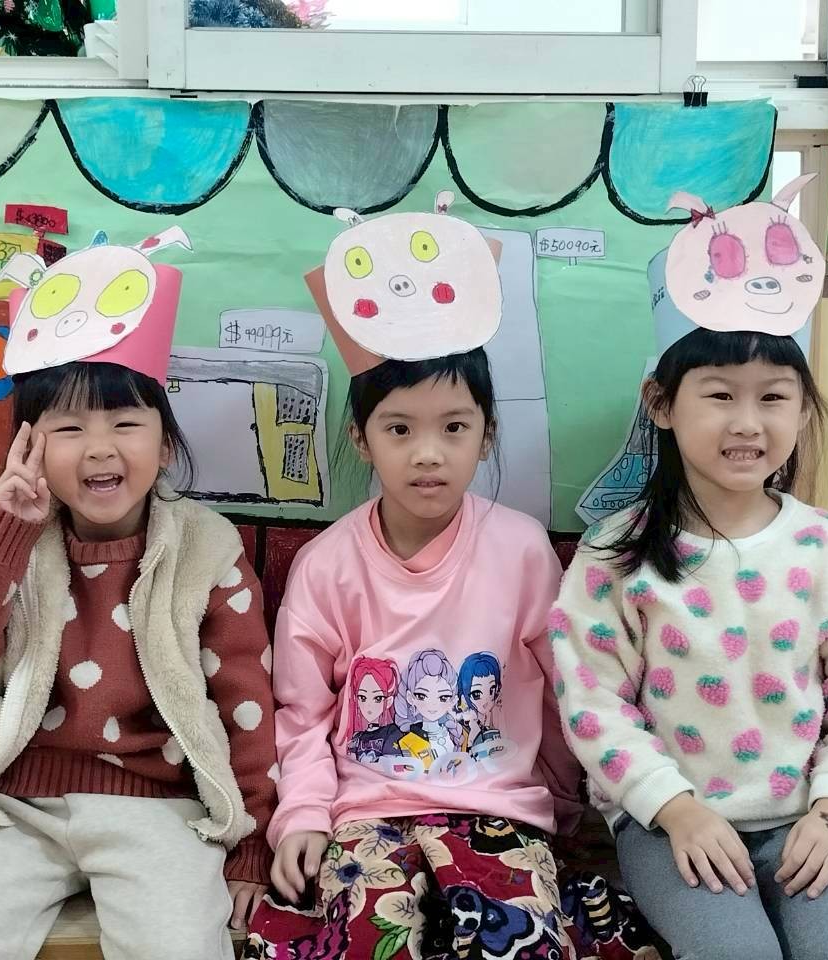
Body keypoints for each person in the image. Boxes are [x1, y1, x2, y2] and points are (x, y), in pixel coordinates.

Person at [247, 198, 652, 960]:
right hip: (365, 816)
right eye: (400, 429)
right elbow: (301, 715)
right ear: (361, 438)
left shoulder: (523, 551)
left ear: (487, 434)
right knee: (368, 939)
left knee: (518, 943)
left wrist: (562, 810)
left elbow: (565, 692)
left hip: (500, 811)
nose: (428, 453)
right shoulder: (326, 564)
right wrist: (302, 814)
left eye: (454, 428)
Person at [0, 229, 276, 960]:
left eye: (126, 424)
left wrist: (252, 840)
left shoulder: (208, 550)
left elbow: (246, 703)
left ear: (166, 444)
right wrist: (4, 532)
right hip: (13, 807)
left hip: (160, 810)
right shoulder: (8, 539)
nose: (101, 447)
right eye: (69, 428)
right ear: (30, 447)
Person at [552, 194, 828, 960]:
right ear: (662, 404)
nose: (748, 422)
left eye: (773, 397)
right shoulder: (616, 554)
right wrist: (675, 809)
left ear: (803, 410)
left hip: (804, 821)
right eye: (719, 394)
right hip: (669, 824)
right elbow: (592, 703)